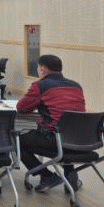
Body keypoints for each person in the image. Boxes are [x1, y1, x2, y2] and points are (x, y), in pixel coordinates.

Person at [17, 55, 86, 192]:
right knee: (65, 130)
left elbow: (21, 108)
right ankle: (70, 174)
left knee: (17, 141)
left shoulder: (40, 86)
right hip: (80, 140)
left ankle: (47, 176)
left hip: (53, 140)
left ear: (42, 69)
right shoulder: (76, 86)